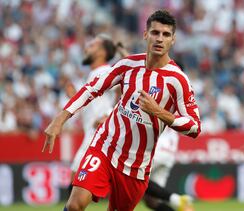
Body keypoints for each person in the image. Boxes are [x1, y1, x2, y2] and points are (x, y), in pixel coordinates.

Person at [42, 10, 201, 211]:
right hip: (105, 147)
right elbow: (93, 88)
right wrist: (60, 119)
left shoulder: (178, 81)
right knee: (74, 205)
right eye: (155, 32)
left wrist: (159, 112)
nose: (159, 38)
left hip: (136, 167)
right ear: (145, 35)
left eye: (166, 34)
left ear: (173, 40)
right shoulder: (128, 64)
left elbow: (194, 127)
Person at [65, 34, 128, 192]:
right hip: (93, 133)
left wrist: (108, 113)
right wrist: (74, 96)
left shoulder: (106, 71)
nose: (86, 48)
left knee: (76, 181)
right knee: (77, 183)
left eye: (92, 45)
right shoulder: (94, 74)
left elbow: (124, 90)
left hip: (99, 135)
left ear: (101, 52)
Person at [143, 127, 193, 211]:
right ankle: (181, 204)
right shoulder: (174, 116)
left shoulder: (159, 114)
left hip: (157, 151)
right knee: (152, 200)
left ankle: (176, 199)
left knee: (137, 177)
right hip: (169, 155)